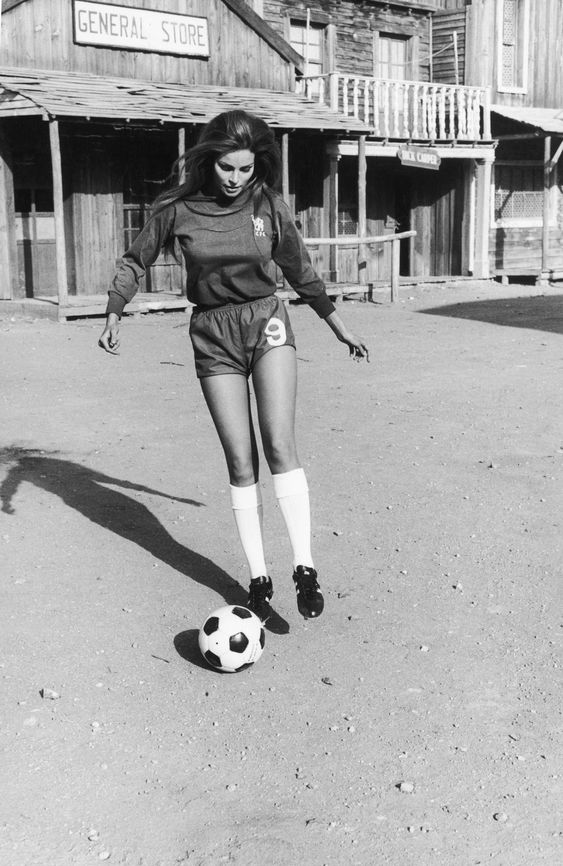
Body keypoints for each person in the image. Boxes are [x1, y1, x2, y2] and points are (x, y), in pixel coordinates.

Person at [98, 109, 369, 623]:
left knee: (279, 444)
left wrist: (337, 325)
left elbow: (298, 267)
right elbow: (136, 260)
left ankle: (305, 568)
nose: (236, 178)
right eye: (227, 167)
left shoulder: (268, 204)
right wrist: (115, 310)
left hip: (266, 321)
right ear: (209, 160)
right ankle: (259, 578)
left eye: (246, 169)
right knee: (240, 461)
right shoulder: (177, 208)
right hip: (212, 333)